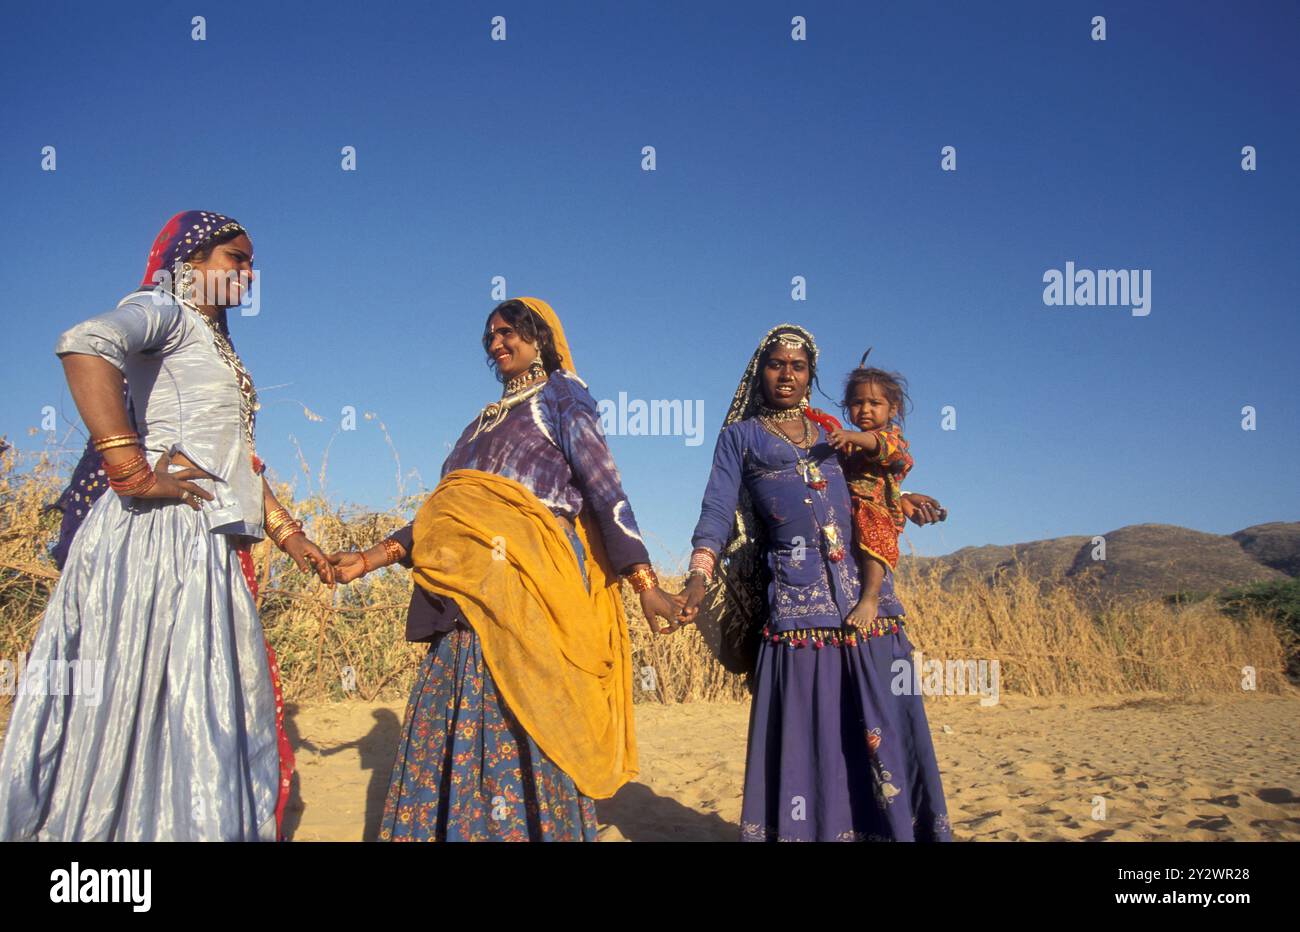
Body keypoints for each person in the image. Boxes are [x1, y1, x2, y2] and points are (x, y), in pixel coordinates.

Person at [0, 211, 334, 841]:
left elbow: (231, 461)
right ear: (190, 263)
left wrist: (294, 539)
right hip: (158, 537)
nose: (248, 271)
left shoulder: (215, 344)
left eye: (250, 260)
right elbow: (83, 340)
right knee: (153, 694)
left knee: (192, 701)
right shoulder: (164, 310)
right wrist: (130, 469)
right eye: (236, 257)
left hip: (201, 537)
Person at [328, 297, 681, 841]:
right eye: (490, 335)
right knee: (459, 702)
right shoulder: (477, 425)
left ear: (540, 337)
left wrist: (645, 583)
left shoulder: (563, 397)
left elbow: (604, 486)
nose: (497, 342)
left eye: (509, 331)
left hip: (529, 588)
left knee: (531, 708)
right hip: (464, 601)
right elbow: (443, 514)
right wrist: (372, 558)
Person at [678, 324, 951, 841]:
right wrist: (698, 574)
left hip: (867, 604)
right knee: (815, 737)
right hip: (799, 608)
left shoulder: (830, 430)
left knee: (883, 728)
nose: (787, 374)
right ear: (760, 371)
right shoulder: (740, 438)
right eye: (777, 364)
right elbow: (716, 509)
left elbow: (871, 482)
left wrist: (904, 499)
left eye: (798, 366)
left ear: (811, 376)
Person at [825, 361, 920, 629]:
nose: (865, 409)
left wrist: (852, 437)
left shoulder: (891, 437)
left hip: (877, 509)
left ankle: (870, 597)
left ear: (893, 409)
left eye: (874, 403)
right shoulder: (850, 441)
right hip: (848, 506)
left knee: (873, 533)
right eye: (857, 403)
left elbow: (882, 446)